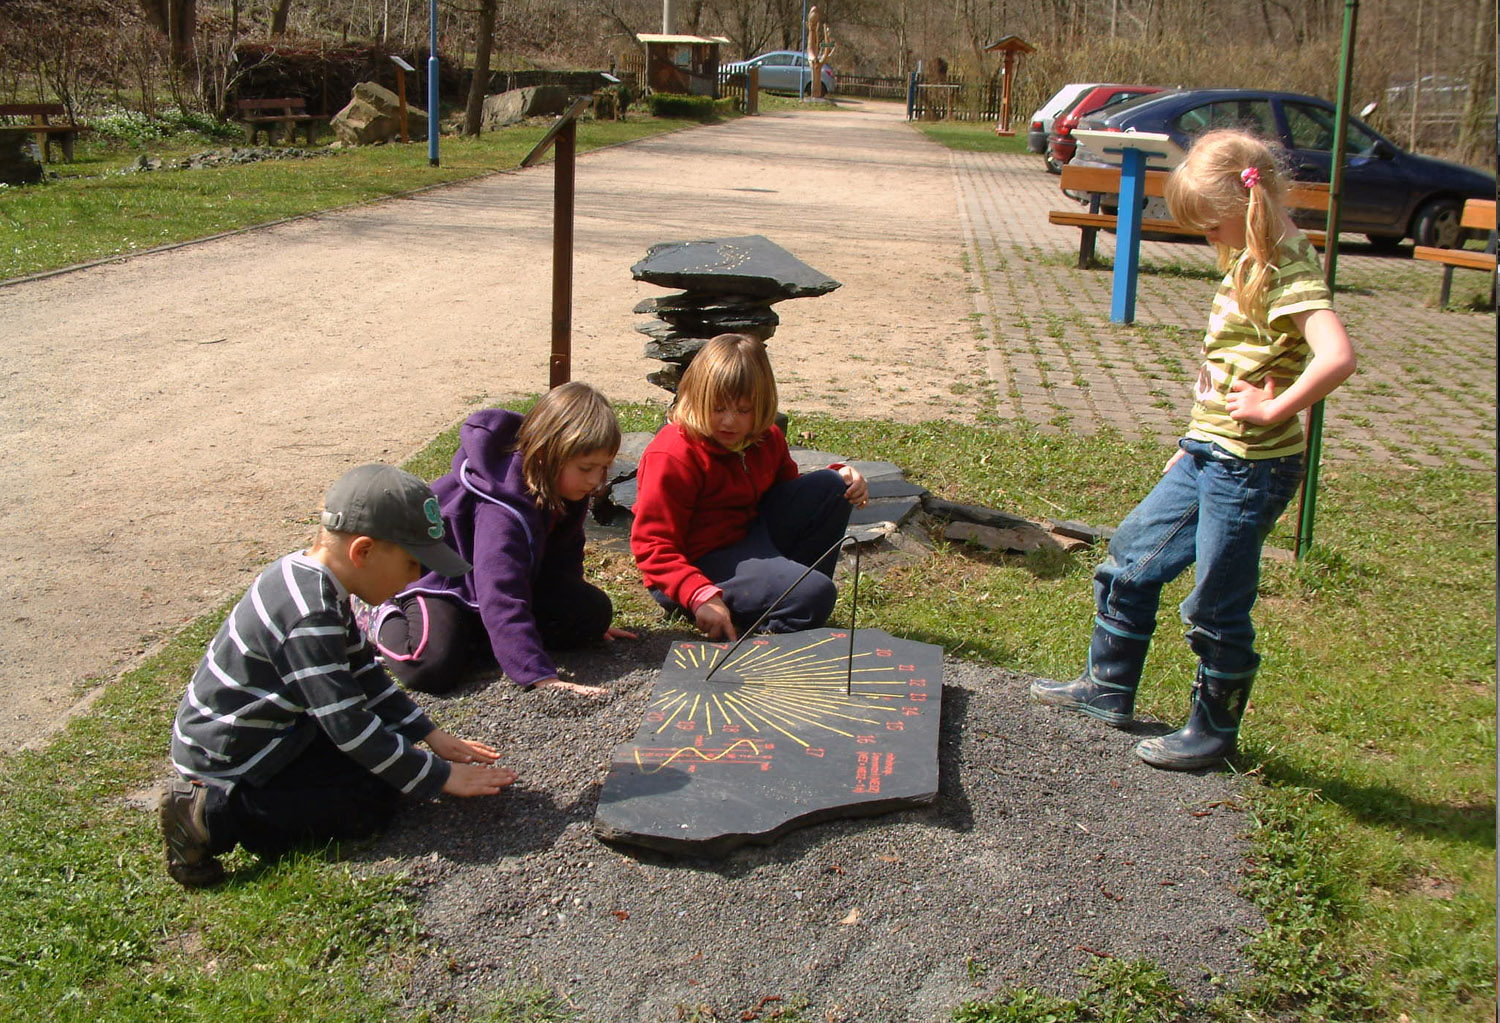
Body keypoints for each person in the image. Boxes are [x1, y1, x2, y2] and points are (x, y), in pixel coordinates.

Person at [1030, 130, 1357, 770]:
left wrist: (1273, 408)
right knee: (1131, 557)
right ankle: (1108, 688)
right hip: (1207, 452)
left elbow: (1338, 355)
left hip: (1250, 468)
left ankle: (1212, 732)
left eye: (1210, 226)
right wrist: (1195, 438)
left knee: (1216, 603)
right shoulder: (1248, 258)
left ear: (1243, 205)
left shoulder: (1286, 267)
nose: (1208, 238)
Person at [162, 464, 516, 888]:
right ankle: (212, 814)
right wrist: (440, 776)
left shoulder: (314, 579)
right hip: (234, 757)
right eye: (410, 563)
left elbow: (362, 672)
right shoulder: (310, 613)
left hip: (280, 731)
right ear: (363, 551)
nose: (415, 578)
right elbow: (346, 724)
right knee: (364, 806)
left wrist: (427, 734)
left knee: (385, 771)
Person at [366, 382, 633, 696]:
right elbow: (500, 591)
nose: (594, 480)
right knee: (430, 665)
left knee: (591, 613)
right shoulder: (502, 510)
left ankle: (486, 635)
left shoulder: (568, 489)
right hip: (445, 583)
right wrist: (539, 676)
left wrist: (576, 615)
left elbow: (562, 559)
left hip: (494, 584)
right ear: (547, 455)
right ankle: (375, 614)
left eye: (603, 468)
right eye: (586, 468)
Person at [631, 332, 869, 641]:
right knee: (815, 594)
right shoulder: (673, 454)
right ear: (696, 398)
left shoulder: (764, 438)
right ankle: (789, 610)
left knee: (831, 485)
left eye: (744, 410)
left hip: (751, 539)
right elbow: (652, 546)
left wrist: (844, 478)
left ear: (762, 405)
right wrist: (698, 593)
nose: (729, 422)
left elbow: (787, 495)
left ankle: (789, 596)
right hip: (696, 564)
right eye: (718, 408)